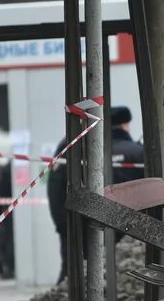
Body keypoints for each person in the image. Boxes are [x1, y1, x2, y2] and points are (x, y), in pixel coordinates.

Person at [47, 106, 145, 284]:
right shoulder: (137, 152)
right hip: (129, 230)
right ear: (125, 125)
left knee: (74, 275)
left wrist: (63, 225)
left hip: (79, 226)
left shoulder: (73, 149)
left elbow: (56, 188)